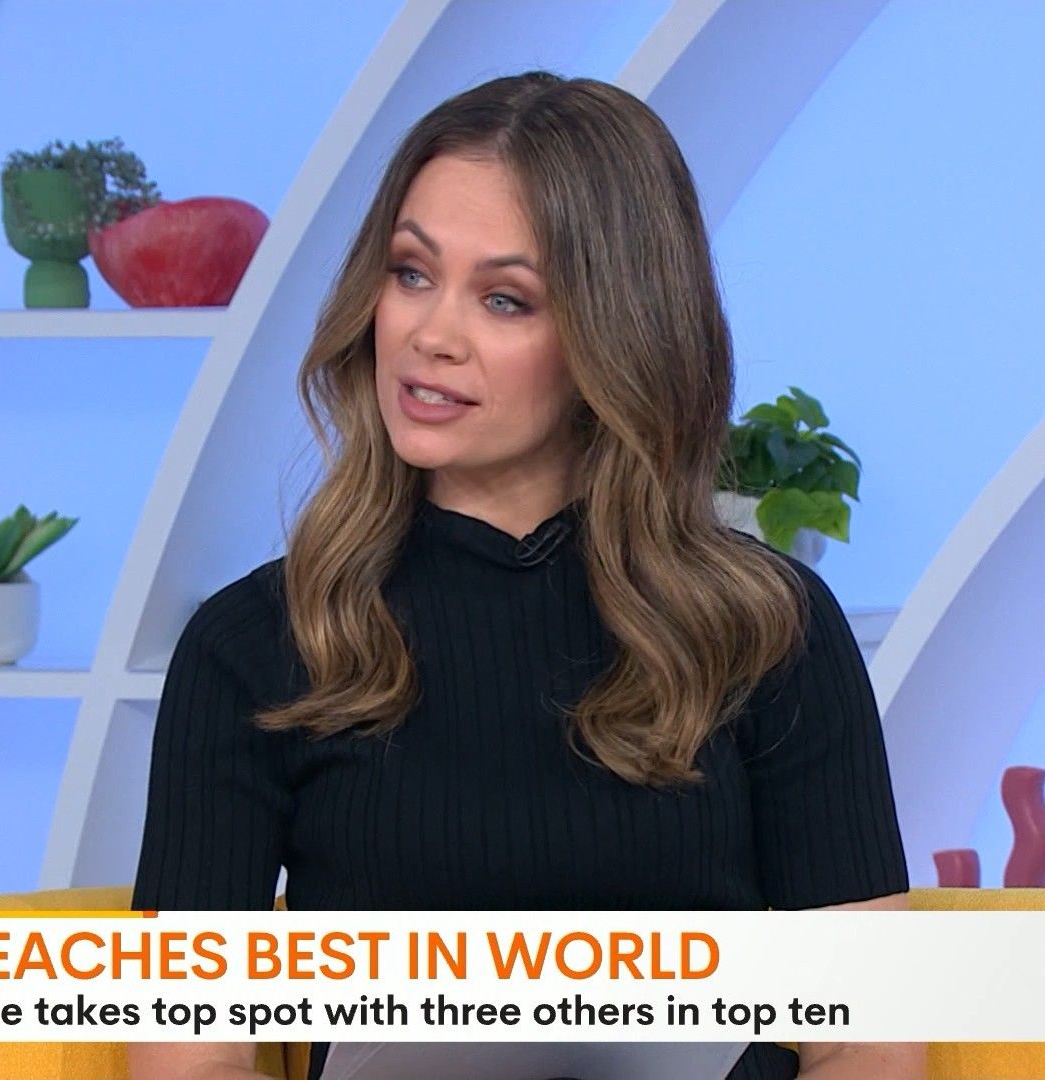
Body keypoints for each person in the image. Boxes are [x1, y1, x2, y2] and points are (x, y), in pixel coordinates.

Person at [129, 70, 921, 1080]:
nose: (430, 335)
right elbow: (188, 1059)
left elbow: (867, 1043)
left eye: (504, 299)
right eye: (411, 273)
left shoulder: (768, 628)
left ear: (615, 336)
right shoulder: (253, 646)